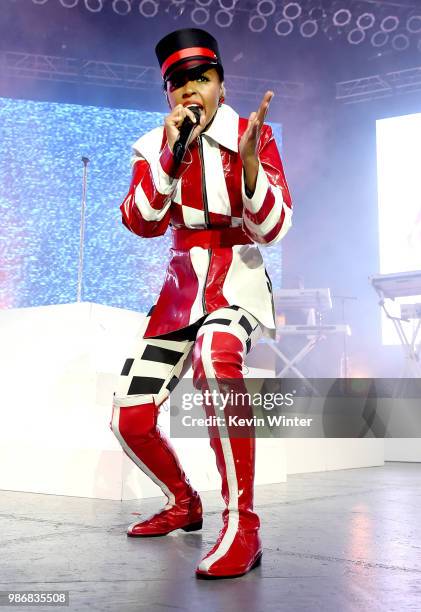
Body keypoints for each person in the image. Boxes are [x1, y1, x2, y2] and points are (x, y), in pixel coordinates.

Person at [110, 27, 293, 579]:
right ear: (168, 94)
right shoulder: (153, 144)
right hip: (179, 290)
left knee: (218, 355)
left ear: (221, 83)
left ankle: (244, 525)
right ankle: (183, 501)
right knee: (129, 416)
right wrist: (170, 154)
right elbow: (140, 222)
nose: (191, 90)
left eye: (202, 78)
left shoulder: (251, 135)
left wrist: (251, 167)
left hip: (235, 279)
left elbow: (274, 229)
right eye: (179, 83)